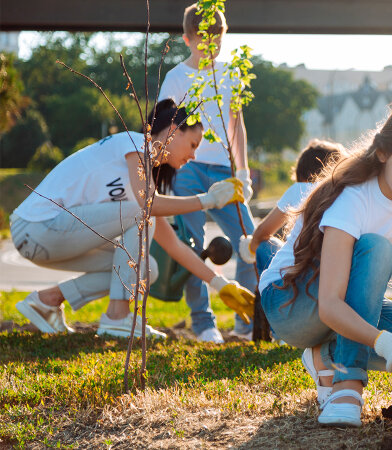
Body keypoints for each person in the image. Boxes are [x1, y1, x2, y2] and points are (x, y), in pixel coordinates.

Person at [257, 97, 392, 426]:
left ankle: (324, 355)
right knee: (376, 247)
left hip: (336, 305)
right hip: (289, 303)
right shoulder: (353, 198)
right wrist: (387, 344)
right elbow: (329, 304)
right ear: (383, 153)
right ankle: (346, 385)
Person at [11, 99, 254, 340]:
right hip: (35, 228)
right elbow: (148, 206)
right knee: (143, 213)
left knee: (148, 268)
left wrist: (220, 284)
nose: (193, 155)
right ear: (173, 131)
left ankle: (47, 301)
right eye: (193, 144)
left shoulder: (140, 182)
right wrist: (208, 200)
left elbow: (174, 246)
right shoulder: (134, 143)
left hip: (51, 238)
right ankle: (117, 318)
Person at [159, 3, 256, 343]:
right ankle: (203, 323)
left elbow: (237, 125)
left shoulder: (232, 73)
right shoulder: (175, 78)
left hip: (224, 171)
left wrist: (242, 172)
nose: (210, 44)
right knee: (193, 244)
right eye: (202, 39)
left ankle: (246, 321)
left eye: (217, 37)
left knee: (249, 242)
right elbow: (163, 129)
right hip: (187, 170)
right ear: (187, 39)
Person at [236, 139, 344, 312]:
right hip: (332, 284)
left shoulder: (301, 189)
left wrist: (250, 248)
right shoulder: (343, 194)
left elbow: (264, 231)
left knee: (265, 245)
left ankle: (273, 319)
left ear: (302, 174)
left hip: (295, 282)